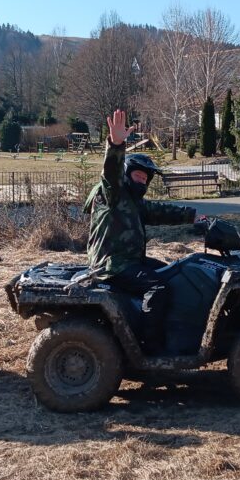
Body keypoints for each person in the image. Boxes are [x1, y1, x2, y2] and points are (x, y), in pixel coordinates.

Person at [85, 111, 202, 347]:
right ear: (126, 174)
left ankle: (174, 327)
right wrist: (115, 145)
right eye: (137, 175)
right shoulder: (113, 193)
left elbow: (160, 211)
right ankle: (148, 343)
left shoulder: (134, 202)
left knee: (175, 274)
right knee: (158, 286)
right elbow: (110, 174)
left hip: (129, 261)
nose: (142, 180)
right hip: (113, 265)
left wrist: (195, 216)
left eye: (145, 178)